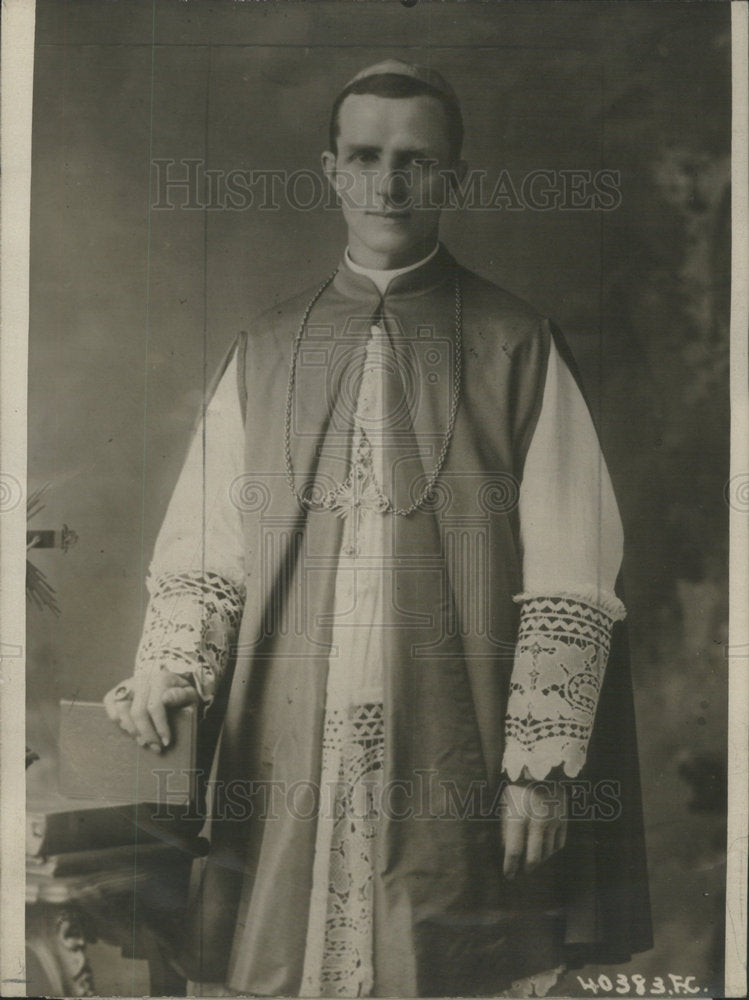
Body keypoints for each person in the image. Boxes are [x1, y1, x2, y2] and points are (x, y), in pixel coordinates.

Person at [104, 60, 652, 997]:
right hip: (286, 743)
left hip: (459, 743)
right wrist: (173, 663)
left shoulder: (517, 342)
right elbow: (206, 555)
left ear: (452, 179)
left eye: (415, 160)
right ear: (330, 170)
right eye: (365, 156)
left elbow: (572, 568)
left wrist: (538, 770)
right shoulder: (268, 346)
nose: (388, 182)